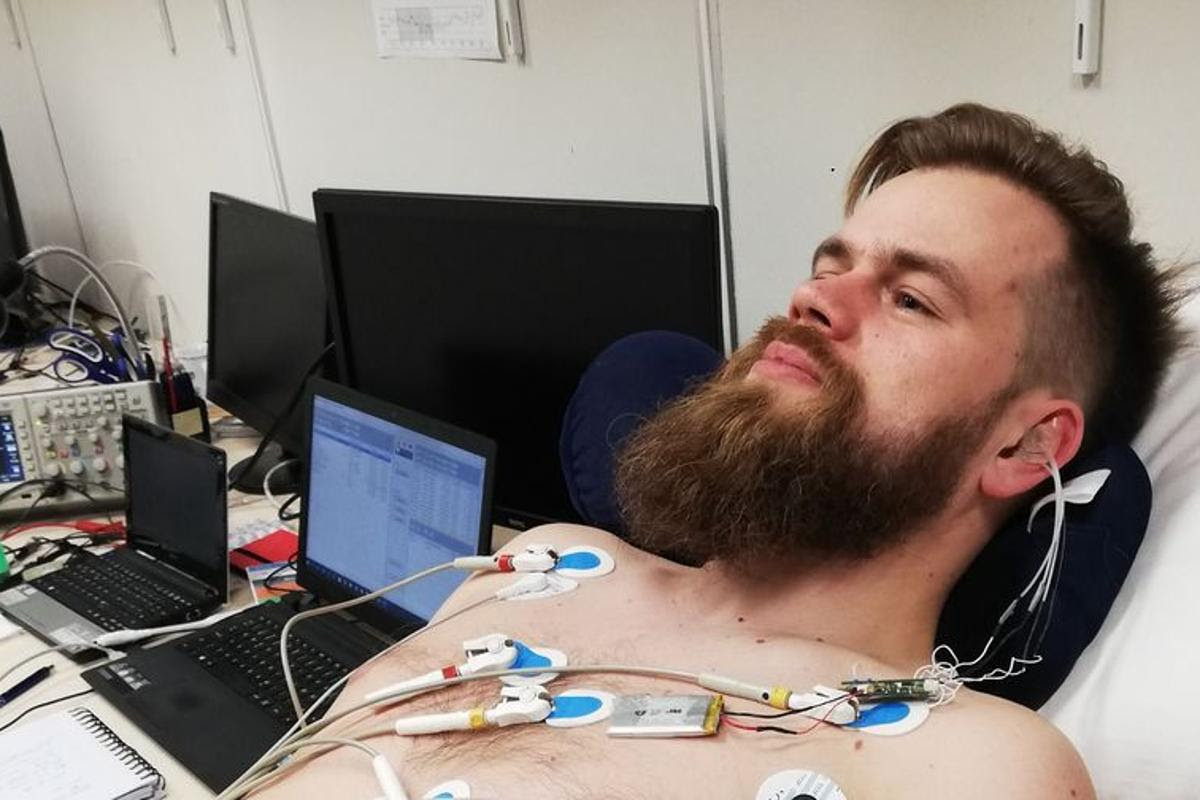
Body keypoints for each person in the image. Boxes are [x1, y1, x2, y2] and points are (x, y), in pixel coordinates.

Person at [250, 104, 1184, 799]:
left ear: (1026, 443)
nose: (817, 302)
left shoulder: (968, 767)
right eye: (829, 268)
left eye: (911, 298)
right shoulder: (535, 567)